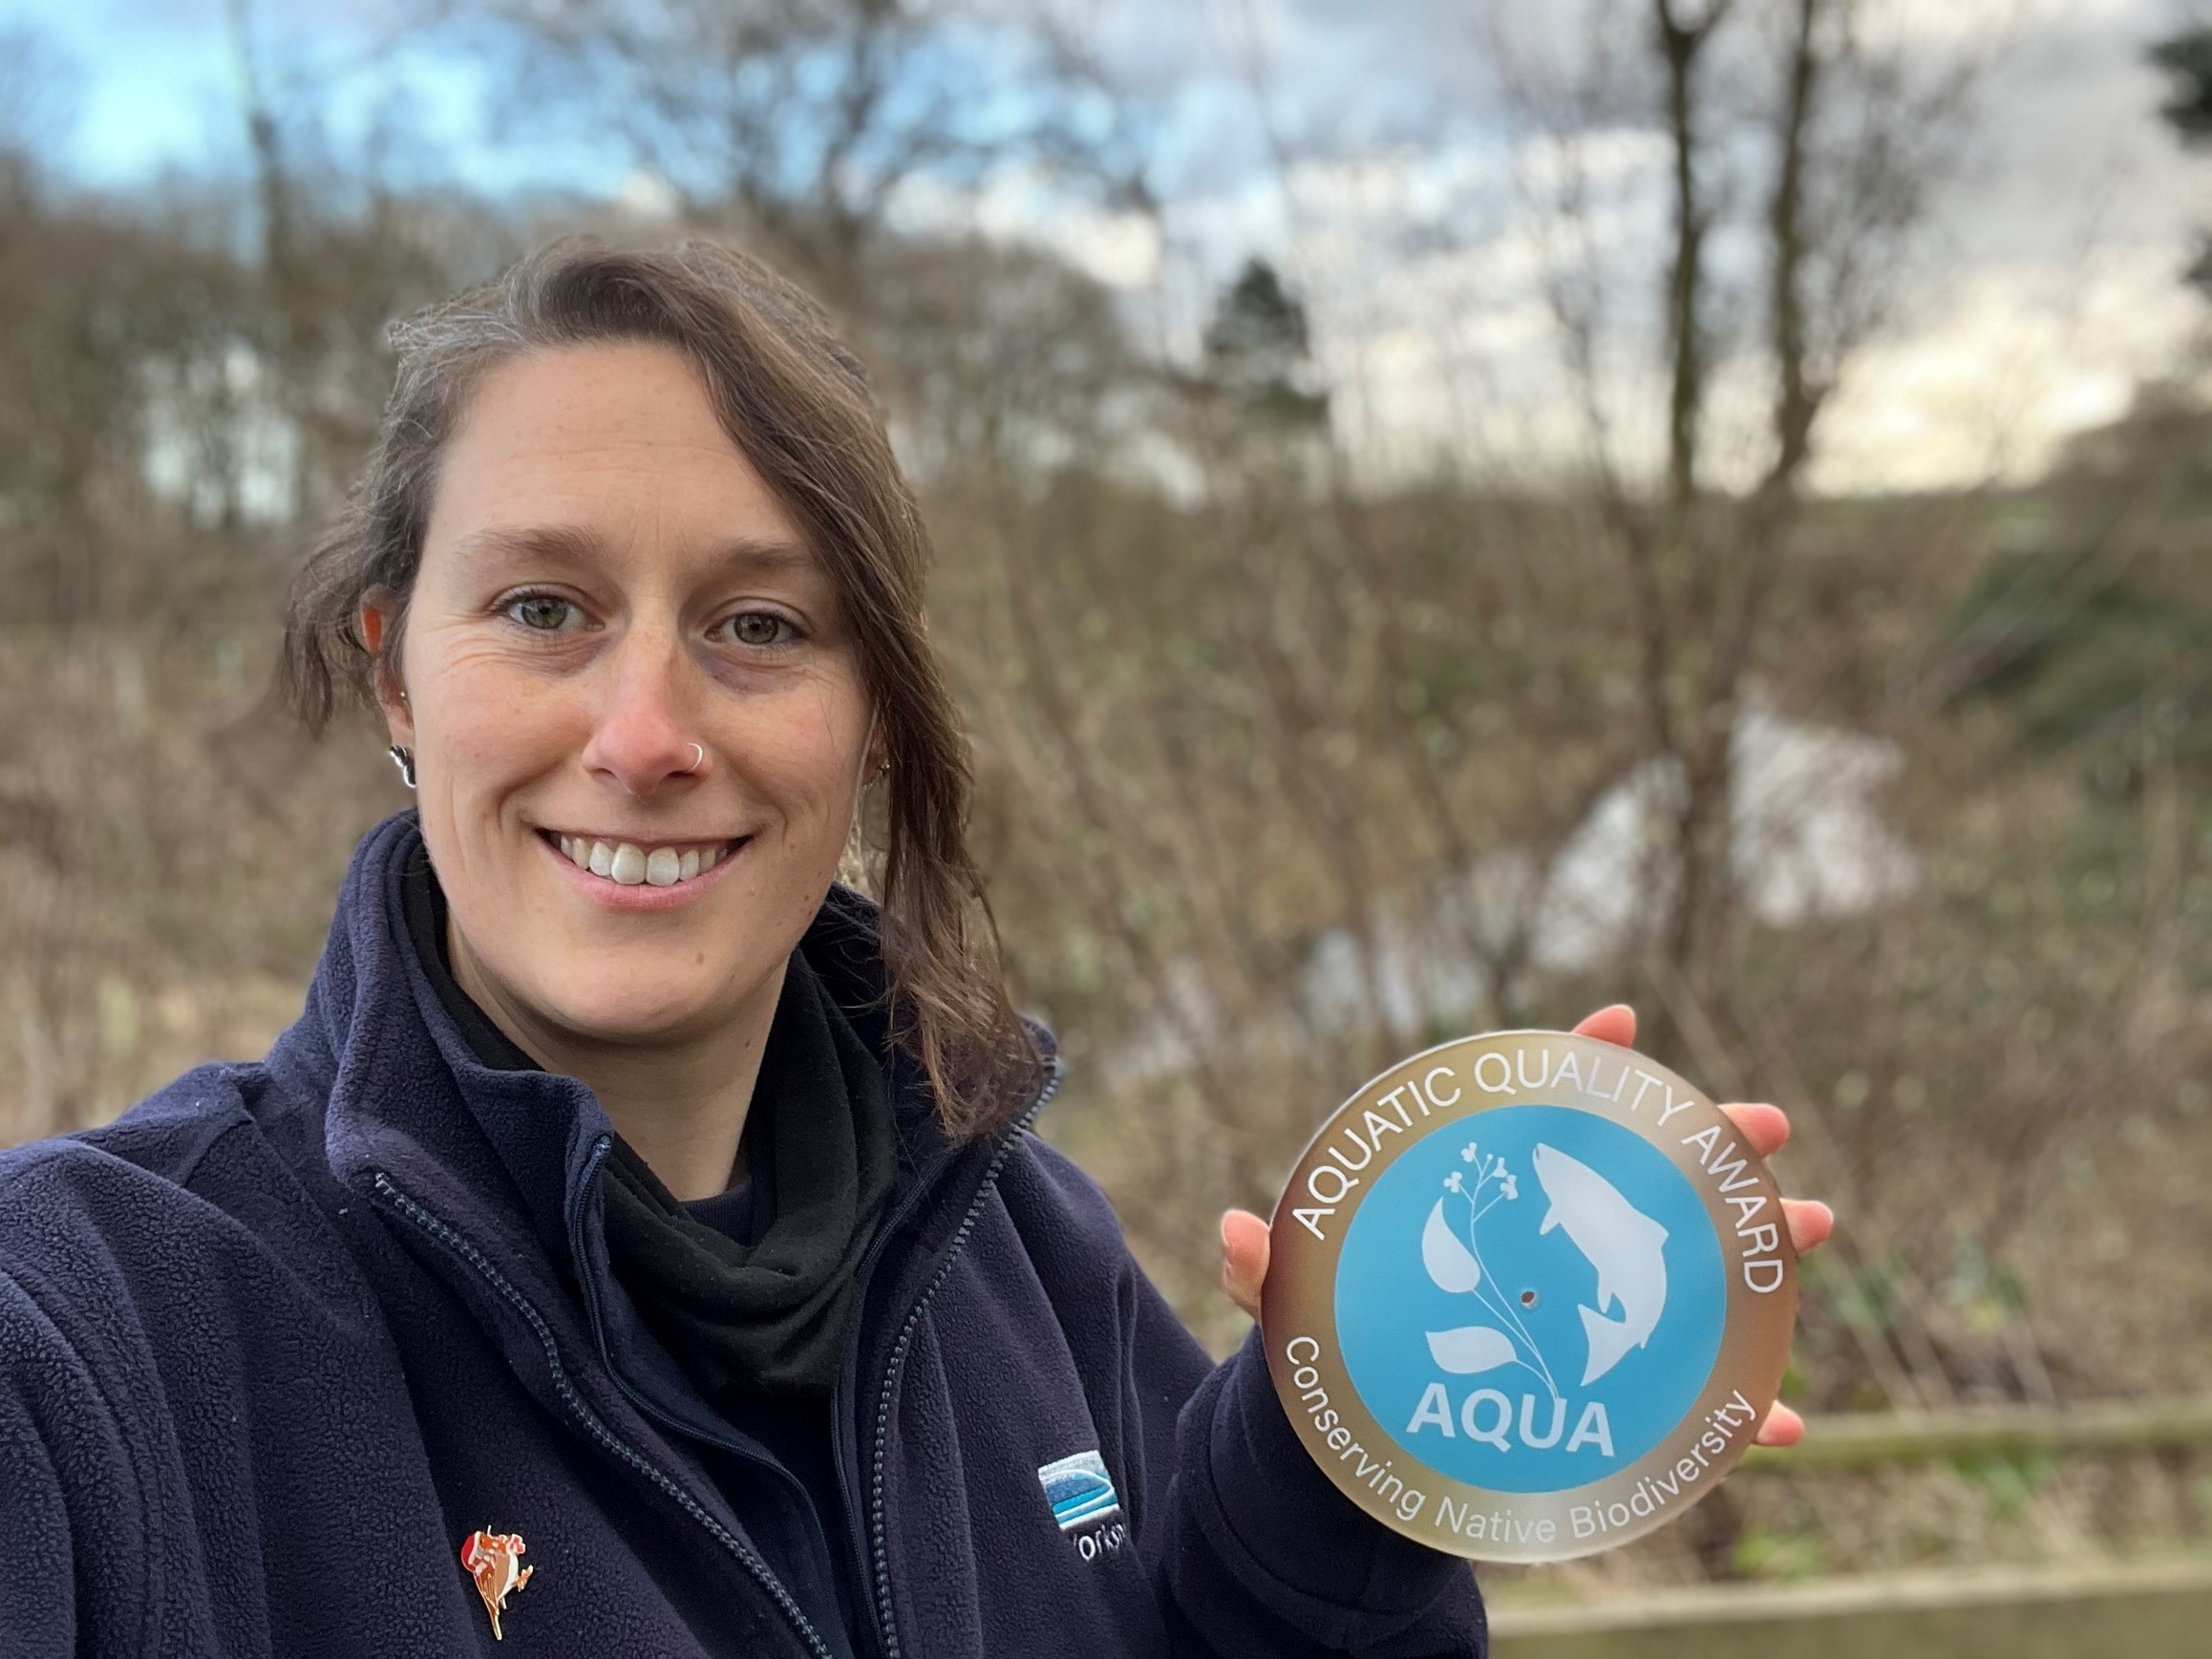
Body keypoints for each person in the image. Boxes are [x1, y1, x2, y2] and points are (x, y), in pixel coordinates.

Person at [0, 241, 1832, 1657]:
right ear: (398, 665)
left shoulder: (1025, 1245)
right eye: (544, 608)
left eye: (761, 623)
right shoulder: (91, 1333)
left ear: (874, 712)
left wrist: (1340, 1471)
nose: (645, 733)